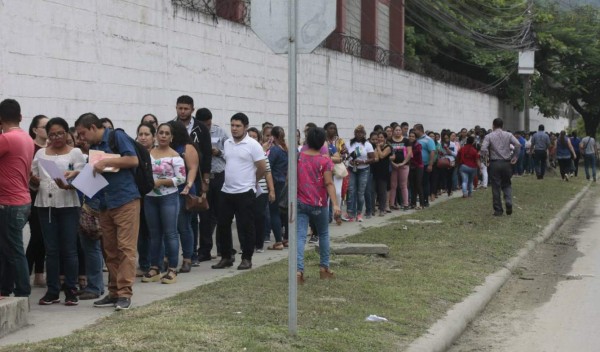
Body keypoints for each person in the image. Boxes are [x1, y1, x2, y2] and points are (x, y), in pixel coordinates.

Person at [75, 113, 140, 310]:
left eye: (82, 133)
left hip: (125, 200)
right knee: (109, 250)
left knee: (126, 249)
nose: (81, 138)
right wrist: (77, 175)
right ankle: (113, 292)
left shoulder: (116, 137)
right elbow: (96, 172)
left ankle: (124, 293)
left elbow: (133, 160)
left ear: (93, 127)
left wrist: (106, 163)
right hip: (105, 203)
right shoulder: (94, 147)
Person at [32, 117, 86, 305]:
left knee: (69, 249)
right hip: (45, 205)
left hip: (68, 205)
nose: (56, 138)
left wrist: (70, 182)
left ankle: (71, 289)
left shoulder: (76, 153)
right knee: (51, 250)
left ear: (66, 133)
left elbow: (84, 179)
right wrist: (33, 179)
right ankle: (52, 290)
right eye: (52, 134)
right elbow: (34, 178)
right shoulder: (40, 154)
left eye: (60, 133)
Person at [212, 113, 266, 270]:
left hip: (245, 191)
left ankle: (247, 258)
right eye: (232, 125)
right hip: (227, 190)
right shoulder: (228, 143)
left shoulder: (253, 145)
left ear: (246, 127)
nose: (234, 129)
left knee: (245, 226)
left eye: (238, 126)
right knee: (223, 225)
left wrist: (252, 181)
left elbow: (262, 167)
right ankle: (226, 257)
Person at [142, 123, 187, 284]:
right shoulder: (147, 154)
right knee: (154, 234)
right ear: (156, 135)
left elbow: (181, 178)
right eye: (160, 133)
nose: (163, 136)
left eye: (167, 133)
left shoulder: (175, 156)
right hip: (149, 198)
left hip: (169, 198)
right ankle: (155, 267)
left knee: (170, 233)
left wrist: (162, 182)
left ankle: (172, 269)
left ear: (171, 137)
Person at [0, 99, 35, 298]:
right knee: (7, 249)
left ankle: (22, 292)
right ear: (20, 117)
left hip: (9, 203)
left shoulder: (6, 139)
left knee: (12, 250)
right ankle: (5, 288)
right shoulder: (26, 138)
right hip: (22, 200)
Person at [296, 127, 340, 284]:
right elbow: (328, 183)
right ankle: (324, 269)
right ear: (322, 142)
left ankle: (298, 271)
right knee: (323, 234)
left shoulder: (299, 157)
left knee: (300, 236)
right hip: (319, 203)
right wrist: (335, 204)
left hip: (301, 202)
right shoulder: (325, 161)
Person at [196, 108, 228, 263]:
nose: (206, 128)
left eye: (208, 125)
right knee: (205, 215)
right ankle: (204, 250)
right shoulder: (194, 133)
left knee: (222, 213)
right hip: (202, 177)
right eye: (204, 125)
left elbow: (229, 152)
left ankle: (223, 249)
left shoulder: (220, 132)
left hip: (219, 176)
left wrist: (218, 152)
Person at [167, 120, 199, 273]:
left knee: (183, 226)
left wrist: (189, 185)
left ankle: (188, 258)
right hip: (169, 190)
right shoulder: (166, 148)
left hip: (183, 190)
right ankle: (168, 257)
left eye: (169, 132)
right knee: (170, 227)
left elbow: (193, 168)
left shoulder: (187, 147)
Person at [480, 118, 521, 216]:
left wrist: (485, 160)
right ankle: (508, 201)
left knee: (496, 186)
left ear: (493, 125)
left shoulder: (489, 136)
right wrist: (515, 157)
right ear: (502, 126)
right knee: (507, 184)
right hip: (506, 163)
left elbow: (483, 149)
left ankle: (498, 210)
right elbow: (518, 145)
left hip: (494, 163)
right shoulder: (508, 134)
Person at [27, 114, 49, 288]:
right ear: (35, 129)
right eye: (45, 126)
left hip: (45, 195)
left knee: (39, 235)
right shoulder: (29, 146)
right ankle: (26, 272)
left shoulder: (50, 149)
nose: (49, 130)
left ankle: (39, 273)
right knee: (36, 235)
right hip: (28, 194)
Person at [247, 128, 275, 253]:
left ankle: (259, 244)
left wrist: (271, 190)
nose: (252, 139)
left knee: (259, 216)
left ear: (258, 139)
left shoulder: (262, 154)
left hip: (261, 190)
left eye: (255, 137)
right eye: (250, 136)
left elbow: (267, 172)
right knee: (247, 217)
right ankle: (247, 244)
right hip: (246, 189)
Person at [135, 122, 156, 277]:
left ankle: (156, 262)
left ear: (153, 137)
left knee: (154, 231)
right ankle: (144, 263)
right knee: (142, 232)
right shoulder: (133, 153)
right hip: (139, 196)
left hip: (156, 197)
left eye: (146, 134)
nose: (143, 137)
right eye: (140, 134)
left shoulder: (157, 154)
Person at [343, 125, 375, 222]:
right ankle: (350, 213)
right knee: (351, 191)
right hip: (352, 169)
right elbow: (346, 156)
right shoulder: (349, 143)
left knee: (360, 192)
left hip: (364, 169)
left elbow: (372, 158)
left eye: (361, 132)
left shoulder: (368, 145)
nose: (359, 134)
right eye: (357, 132)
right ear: (354, 133)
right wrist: (350, 160)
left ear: (364, 134)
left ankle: (359, 213)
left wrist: (363, 162)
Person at [266, 126, 288, 250]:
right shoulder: (287, 149)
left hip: (275, 182)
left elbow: (268, 165)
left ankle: (278, 241)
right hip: (286, 182)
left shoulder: (274, 150)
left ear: (273, 137)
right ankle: (286, 238)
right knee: (285, 211)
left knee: (274, 212)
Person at [388, 125, 411, 210]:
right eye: (396, 130)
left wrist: (403, 163)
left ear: (401, 131)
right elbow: (388, 153)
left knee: (403, 185)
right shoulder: (390, 141)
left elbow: (409, 153)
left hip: (404, 165)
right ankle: (392, 204)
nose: (397, 131)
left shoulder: (406, 140)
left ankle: (405, 204)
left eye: (399, 130)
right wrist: (392, 163)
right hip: (393, 166)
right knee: (393, 185)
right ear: (393, 131)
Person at [413, 124, 436, 207]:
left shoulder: (428, 140)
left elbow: (432, 152)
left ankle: (425, 200)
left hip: (425, 164)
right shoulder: (416, 139)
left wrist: (430, 164)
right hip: (416, 165)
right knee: (417, 183)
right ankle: (416, 201)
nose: (414, 132)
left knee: (425, 183)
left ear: (419, 130)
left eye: (415, 130)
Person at [371, 131, 392, 216]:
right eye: (378, 137)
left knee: (382, 191)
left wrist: (378, 148)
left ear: (385, 138)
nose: (379, 139)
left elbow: (382, 156)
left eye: (381, 137)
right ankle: (372, 209)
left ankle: (382, 209)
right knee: (372, 190)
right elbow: (376, 158)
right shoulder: (376, 147)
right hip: (375, 170)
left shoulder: (388, 147)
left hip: (383, 172)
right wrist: (377, 148)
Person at [408, 130, 425, 209]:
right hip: (411, 167)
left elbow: (411, 154)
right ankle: (413, 203)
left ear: (416, 138)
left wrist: (407, 151)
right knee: (412, 185)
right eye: (410, 136)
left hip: (419, 167)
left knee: (418, 185)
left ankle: (422, 204)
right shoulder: (407, 145)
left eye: (413, 136)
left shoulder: (418, 145)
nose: (411, 138)